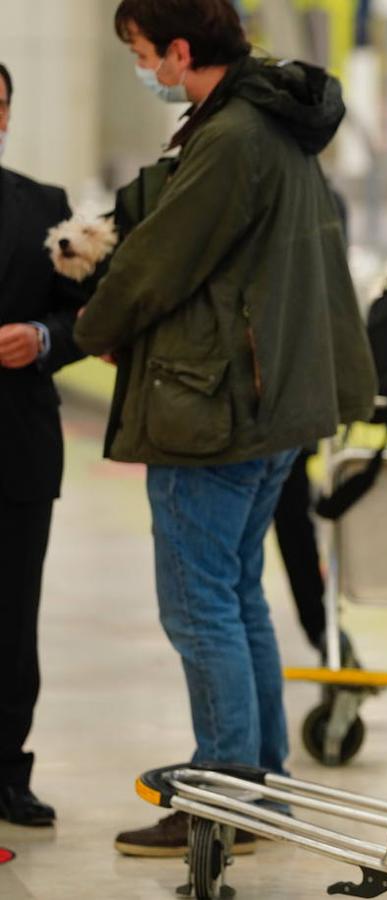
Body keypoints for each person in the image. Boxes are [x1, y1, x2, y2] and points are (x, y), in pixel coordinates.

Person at [73, 0, 376, 857]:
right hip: (271, 401)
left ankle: (220, 796)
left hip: (217, 408)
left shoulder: (233, 137)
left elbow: (156, 263)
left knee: (200, 605)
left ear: (177, 51)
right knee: (236, 595)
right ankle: (257, 786)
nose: (144, 69)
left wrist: (88, 330)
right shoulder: (270, 126)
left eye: (142, 52)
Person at [0, 62, 89, 828]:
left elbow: (85, 317)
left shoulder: (44, 209)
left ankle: (7, 773)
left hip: (17, 448)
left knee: (11, 618)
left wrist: (41, 337)